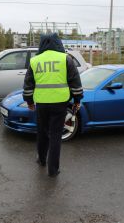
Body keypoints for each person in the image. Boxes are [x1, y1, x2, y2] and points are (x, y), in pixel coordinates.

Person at [23, 33, 83, 177]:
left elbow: (28, 84)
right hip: (60, 103)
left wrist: (29, 101)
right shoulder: (66, 59)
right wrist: (77, 101)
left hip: (42, 103)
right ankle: (53, 170)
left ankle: (42, 159)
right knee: (55, 135)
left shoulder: (35, 60)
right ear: (58, 43)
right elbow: (75, 82)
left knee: (42, 133)